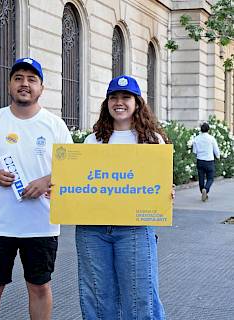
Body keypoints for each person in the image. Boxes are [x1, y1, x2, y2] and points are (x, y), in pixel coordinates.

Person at [0, 57, 73, 320]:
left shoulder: (54, 125)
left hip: (41, 224)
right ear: (10, 84)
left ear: (41, 88)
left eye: (31, 79)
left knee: (39, 287)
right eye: (18, 78)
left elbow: (72, 167)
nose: (24, 84)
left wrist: (46, 180)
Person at [76, 75, 168, 320]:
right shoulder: (92, 141)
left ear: (137, 103)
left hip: (135, 228)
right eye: (114, 97)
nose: (119, 102)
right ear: (107, 103)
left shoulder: (151, 141)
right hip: (92, 229)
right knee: (96, 296)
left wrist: (165, 193)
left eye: (126, 97)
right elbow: (80, 182)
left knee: (140, 297)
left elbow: (160, 183)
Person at [192, 122, 220, 201]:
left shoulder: (196, 139)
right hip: (209, 161)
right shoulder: (211, 138)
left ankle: (202, 191)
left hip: (200, 160)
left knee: (201, 178)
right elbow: (216, 150)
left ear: (201, 129)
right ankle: (206, 189)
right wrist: (218, 156)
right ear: (208, 130)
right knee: (210, 178)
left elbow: (194, 151)